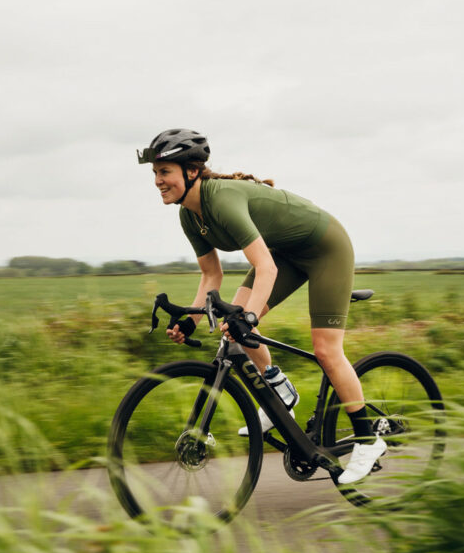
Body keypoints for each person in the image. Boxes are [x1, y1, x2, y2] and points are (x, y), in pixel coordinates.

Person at [137, 128, 385, 484]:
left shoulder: (220, 200)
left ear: (191, 171)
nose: (158, 181)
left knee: (325, 350)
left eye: (164, 172)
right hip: (286, 254)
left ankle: (367, 439)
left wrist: (250, 316)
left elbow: (265, 267)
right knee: (232, 330)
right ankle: (279, 391)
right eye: (155, 173)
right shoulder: (189, 215)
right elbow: (211, 275)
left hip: (325, 248)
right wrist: (191, 320)